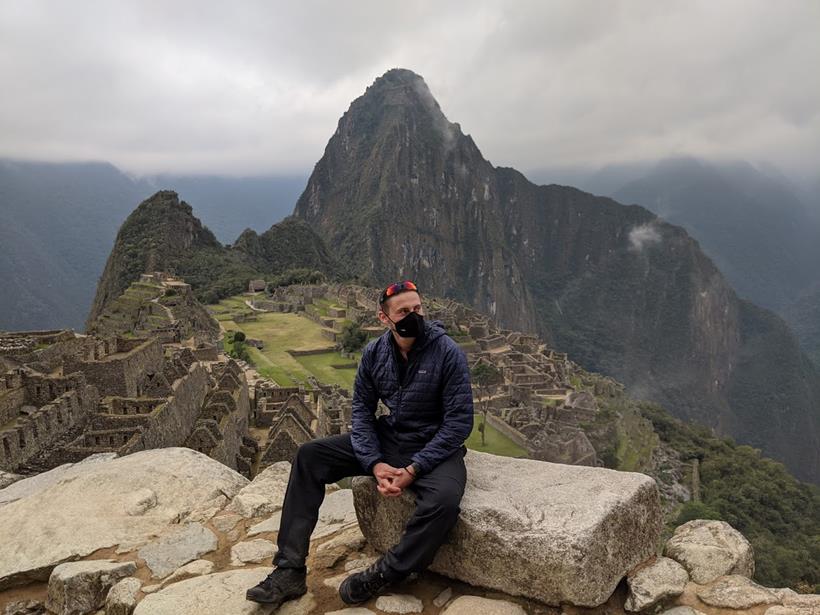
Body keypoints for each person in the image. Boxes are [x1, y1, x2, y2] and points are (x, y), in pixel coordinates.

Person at [245, 280, 474, 608]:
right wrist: (374, 462)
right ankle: (289, 569)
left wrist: (414, 468)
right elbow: (363, 413)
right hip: (389, 436)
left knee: (445, 502)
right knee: (310, 456)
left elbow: (458, 424)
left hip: (434, 447)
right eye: (404, 311)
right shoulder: (375, 353)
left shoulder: (447, 352)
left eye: (418, 309)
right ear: (385, 318)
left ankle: (386, 572)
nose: (414, 316)